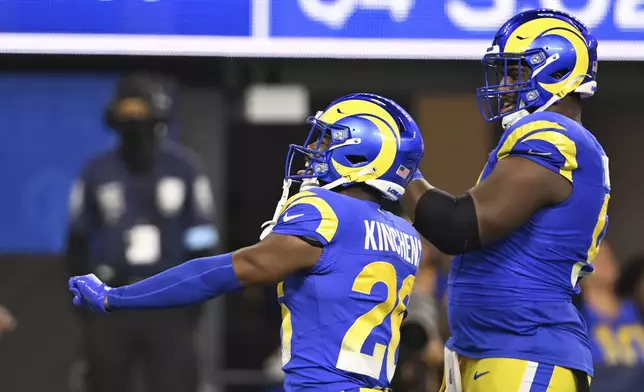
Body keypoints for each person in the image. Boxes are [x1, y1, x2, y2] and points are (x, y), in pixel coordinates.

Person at [69, 92, 425, 391]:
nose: (315, 148)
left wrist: (116, 297)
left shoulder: (326, 210)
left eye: (328, 139)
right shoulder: (406, 233)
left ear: (361, 153)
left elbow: (223, 272)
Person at [401, 9, 609, 392]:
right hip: (491, 352)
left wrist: (397, 172)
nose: (505, 83)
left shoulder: (552, 133)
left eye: (515, 71)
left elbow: (457, 227)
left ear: (557, 71)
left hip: (525, 353)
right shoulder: (552, 140)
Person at [65, 72, 218, 392]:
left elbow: (203, 239)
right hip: (111, 299)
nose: (134, 121)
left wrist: (194, 301)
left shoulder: (184, 168)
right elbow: (77, 241)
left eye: (140, 112)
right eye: (127, 113)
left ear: (156, 115)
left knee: (175, 382)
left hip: (169, 300)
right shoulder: (97, 171)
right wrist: (87, 305)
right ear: (115, 117)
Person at [580, 242, 644, 392]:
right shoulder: (577, 316)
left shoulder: (636, 308)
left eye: (608, 255)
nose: (606, 260)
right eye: (597, 256)